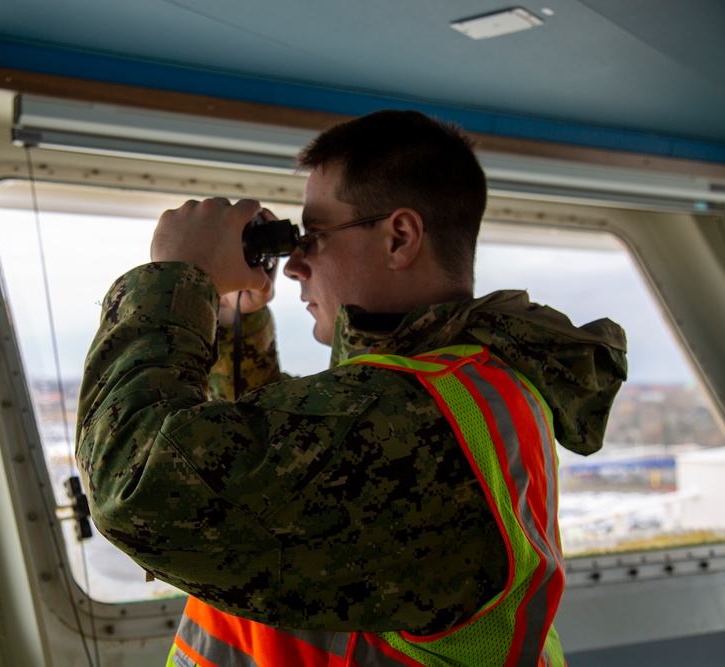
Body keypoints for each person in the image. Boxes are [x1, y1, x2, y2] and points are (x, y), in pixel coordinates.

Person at [76, 110, 627, 666]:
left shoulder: (421, 422)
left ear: (400, 238)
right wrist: (233, 320)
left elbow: (137, 482)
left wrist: (176, 276)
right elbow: (275, 452)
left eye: (311, 238)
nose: (293, 266)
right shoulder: (457, 384)